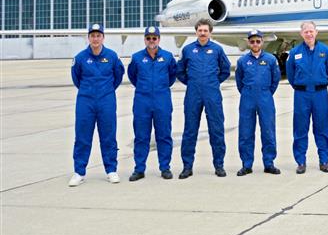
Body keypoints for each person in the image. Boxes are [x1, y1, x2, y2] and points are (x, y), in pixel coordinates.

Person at [68, 23, 125, 187]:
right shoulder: (80, 58)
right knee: (82, 136)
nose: (95, 38)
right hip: (86, 101)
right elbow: (76, 78)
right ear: (88, 38)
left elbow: (118, 76)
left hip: (106, 100)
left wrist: (105, 91)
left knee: (108, 135)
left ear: (103, 37)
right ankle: (79, 172)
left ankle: (111, 170)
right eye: (92, 35)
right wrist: (89, 91)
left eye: (98, 35)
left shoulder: (112, 56)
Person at [176, 18, 231, 178]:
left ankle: (219, 165)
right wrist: (191, 82)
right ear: (196, 32)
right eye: (200, 30)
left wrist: (212, 82)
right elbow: (180, 71)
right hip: (193, 93)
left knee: (217, 129)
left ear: (210, 32)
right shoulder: (188, 50)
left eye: (205, 31)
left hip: (212, 94)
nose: (202, 33)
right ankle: (187, 166)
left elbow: (225, 70)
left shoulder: (217, 49)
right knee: (190, 130)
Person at [126, 26, 177, 181]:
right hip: (143, 101)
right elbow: (132, 76)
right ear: (145, 40)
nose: (151, 41)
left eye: (154, 38)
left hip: (162, 101)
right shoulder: (136, 58)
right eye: (148, 38)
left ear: (159, 39)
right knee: (141, 136)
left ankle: (165, 167)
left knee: (164, 135)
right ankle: (139, 169)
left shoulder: (167, 57)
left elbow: (172, 76)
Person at [286, 21, 328, 174]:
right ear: (301, 34)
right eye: (305, 31)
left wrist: (320, 84)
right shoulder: (295, 52)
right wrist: (301, 86)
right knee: (300, 129)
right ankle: (301, 161)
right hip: (301, 95)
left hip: (320, 94)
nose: (309, 34)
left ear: (316, 32)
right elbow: (290, 74)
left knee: (322, 128)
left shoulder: (324, 50)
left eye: (311, 31)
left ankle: (324, 160)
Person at [235, 30, 282, 176]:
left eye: (258, 41)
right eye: (252, 41)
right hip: (247, 97)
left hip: (265, 97)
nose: (255, 44)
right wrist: (247, 92)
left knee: (268, 130)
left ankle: (269, 163)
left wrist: (266, 92)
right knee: (245, 132)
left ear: (262, 42)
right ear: (249, 43)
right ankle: (246, 164)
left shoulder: (270, 59)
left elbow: (275, 79)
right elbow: (239, 81)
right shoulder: (242, 61)